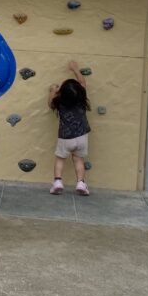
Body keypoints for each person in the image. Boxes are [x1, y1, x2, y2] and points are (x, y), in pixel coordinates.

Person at [47, 60, 91, 196]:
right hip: (82, 136)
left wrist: (53, 91)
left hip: (65, 138)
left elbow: (50, 103)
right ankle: (81, 183)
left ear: (61, 93)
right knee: (78, 160)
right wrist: (76, 70)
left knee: (60, 159)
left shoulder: (59, 103)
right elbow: (83, 83)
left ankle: (58, 181)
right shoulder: (81, 100)